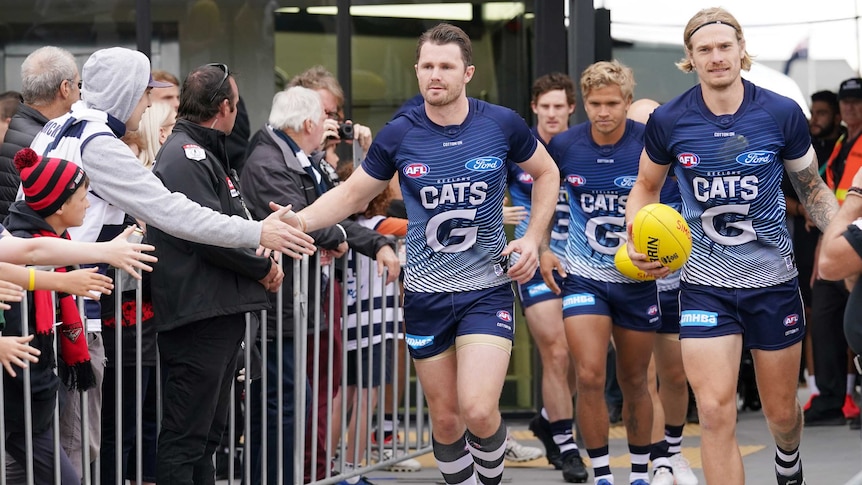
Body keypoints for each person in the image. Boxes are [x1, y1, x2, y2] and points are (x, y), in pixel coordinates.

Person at [289, 22, 559, 485]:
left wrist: (533, 238)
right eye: (428, 66)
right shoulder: (400, 134)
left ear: (467, 72)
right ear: (417, 71)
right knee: (448, 420)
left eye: (446, 66)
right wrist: (297, 221)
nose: (436, 74)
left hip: (486, 289)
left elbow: (547, 173)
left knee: (477, 408)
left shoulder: (500, 123)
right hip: (425, 293)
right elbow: (353, 196)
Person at [26, 47, 311, 480]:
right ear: (126, 94)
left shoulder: (56, 130)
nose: (149, 105)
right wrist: (256, 233)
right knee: (69, 445)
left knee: (46, 440)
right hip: (66, 311)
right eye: (145, 94)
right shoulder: (97, 142)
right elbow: (173, 212)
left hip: (43, 298)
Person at [625, 8, 838, 485]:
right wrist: (636, 235)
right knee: (716, 413)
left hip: (773, 282)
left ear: (741, 51)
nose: (716, 57)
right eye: (705, 50)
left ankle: (788, 460)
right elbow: (644, 186)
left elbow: (813, 190)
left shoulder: (780, 112)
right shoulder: (669, 120)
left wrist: (842, 237)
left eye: (725, 47)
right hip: (704, 286)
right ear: (691, 59)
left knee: (782, 415)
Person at [240, 86, 398, 484]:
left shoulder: (294, 158)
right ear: (308, 123)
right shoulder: (269, 162)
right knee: (286, 405)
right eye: (323, 119)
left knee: (297, 402)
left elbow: (340, 208)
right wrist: (341, 239)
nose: (328, 127)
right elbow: (310, 219)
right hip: (279, 307)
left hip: (300, 302)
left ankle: (306, 472)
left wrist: (369, 241)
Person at [148, 63, 284, 484]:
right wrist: (261, 266)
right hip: (197, 315)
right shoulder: (186, 155)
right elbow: (207, 233)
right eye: (237, 105)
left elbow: (227, 222)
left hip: (212, 312)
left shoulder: (201, 151)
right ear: (223, 108)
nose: (237, 113)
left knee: (207, 438)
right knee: (185, 438)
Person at [3, 147, 154, 485]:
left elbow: (29, 263)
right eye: (84, 196)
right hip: (24, 402)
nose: (88, 203)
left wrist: (64, 279)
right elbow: (29, 258)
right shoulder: (28, 241)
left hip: (34, 399)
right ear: (59, 206)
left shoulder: (46, 240)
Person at [540, 61, 657, 485]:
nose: (603, 111)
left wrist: (665, 258)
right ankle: (604, 476)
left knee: (635, 379)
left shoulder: (649, 144)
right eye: (594, 103)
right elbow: (545, 197)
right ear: (583, 104)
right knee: (588, 374)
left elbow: (673, 209)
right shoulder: (564, 145)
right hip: (585, 275)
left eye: (612, 103)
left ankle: (640, 473)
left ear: (627, 102)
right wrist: (543, 247)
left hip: (638, 278)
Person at [505, 72, 587, 481]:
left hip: (583, 263)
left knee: (579, 355)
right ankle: (567, 445)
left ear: (572, 108)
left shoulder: (583, 146)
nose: (552, 114)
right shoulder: (519, 149)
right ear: (534, 108)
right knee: (555, 351)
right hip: (532, 260)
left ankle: (546, 420)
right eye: (545, 106)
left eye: (560, 106)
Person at [626, 98, 698, 485]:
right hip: (635, 283)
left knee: (674, 374)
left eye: (651, 125)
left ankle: (674, 452)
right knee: (644, 375)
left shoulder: (683, 163)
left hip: (679, 283)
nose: (646, 134)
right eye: (638, 127)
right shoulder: (627, 169)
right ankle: (659, 461)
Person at [807, 78, 862, 428]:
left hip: (853, 239)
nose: (850, 107)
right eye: (846, 102)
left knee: (855, 324)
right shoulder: (842, 142)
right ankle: (830, 398)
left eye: (857, 101)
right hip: (835, 238)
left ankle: (848, 398)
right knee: (827, 322)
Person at [794, 90, 844, 410]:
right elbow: (785, 195)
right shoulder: (803, 148)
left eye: (823, 113)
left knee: (846, 318)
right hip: (808, 242)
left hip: (843, 237)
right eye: (813, 112)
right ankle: (819, 389)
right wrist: (804, 211)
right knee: (813, 315)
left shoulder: (844, 144)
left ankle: (847, 391)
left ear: (836, 116)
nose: (815, 119)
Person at [0, 47, 80, 221]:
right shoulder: (46, 140)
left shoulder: (22, 125)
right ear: (65, 88)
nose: (80, 94)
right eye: (78, 85)